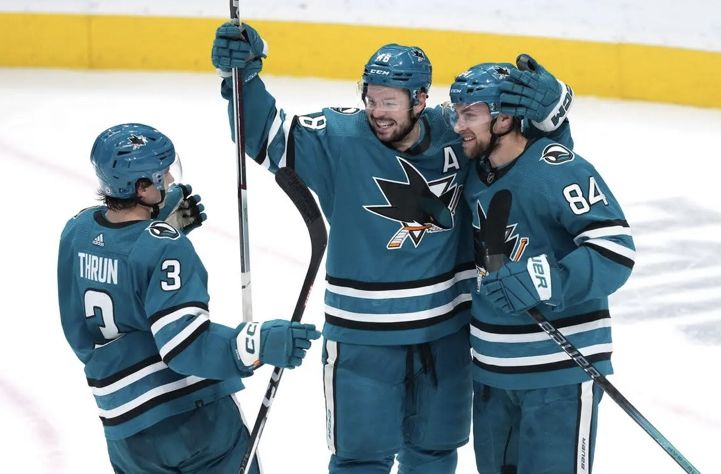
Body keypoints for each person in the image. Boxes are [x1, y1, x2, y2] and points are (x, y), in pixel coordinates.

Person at [211, 22, 572, 474]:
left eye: (389, 103)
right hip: (364, 340)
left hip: (445, 334)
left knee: (435, 453)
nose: (377, 112)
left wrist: (554, 113)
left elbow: (529, 157)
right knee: (360, 459)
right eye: (371, 100)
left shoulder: (457, 133)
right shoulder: (340, 138)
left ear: (420, 99)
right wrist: (242, 78)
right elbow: (264, 134)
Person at [57, 123, 320, 473]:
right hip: (195, 421)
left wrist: (149, 237)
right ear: (141, 187)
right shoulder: (164, 247)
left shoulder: (77, 231)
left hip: (125, 434)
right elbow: (186, 347)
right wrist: (257, 343)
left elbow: (80, 334)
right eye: (161, 174)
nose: (169, 180)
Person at [449, 63, 635, 474]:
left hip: (559, 372)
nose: (458, 125)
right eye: (456, 113)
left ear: (504, 119)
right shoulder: (474, 172)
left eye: (470, 114)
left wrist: (543, 279)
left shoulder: (558, 168)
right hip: (493, 371)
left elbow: (615, 250)